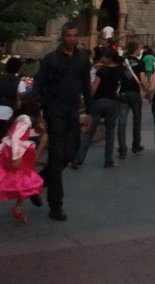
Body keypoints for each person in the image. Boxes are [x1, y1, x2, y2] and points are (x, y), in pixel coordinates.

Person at [33, 21, 93, 221]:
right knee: (57, 157)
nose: (72, 39)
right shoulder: (51, 59)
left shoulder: (83, 59)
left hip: (72, 111)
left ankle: (37, 184)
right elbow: (38, 85)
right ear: (63, 36)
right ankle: (56, 206)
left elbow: (86, 86)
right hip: (54, 110)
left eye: (75, 36)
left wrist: (90, 113)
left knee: (71, 152)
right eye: (69, 36)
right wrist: (38, 115)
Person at [0, 97, 44, 227]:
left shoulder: (20, 118)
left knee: (10, 180)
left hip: (14, 151)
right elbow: (16, 137)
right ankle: (12, 208)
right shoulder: (26, 119)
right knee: (22, 180)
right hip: (18, 153)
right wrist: (15, 156)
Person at [73, 47, 124, 169]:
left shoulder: (102, 71)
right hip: (113, 102)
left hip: (99, 101)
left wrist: (87, 104)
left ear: (109, 58)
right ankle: (108, 160)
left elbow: (94, 89)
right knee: (110, 133)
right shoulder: (119, 70)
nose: (102, 58)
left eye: (105, 56)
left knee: (89, 132)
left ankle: (79, 158)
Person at [118, 41, 147, 159]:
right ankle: (136, 145)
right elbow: (142, 80)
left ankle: (122, 149)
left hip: (123, 93)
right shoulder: (140, 63)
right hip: (134, 93)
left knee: (122, 121)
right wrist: (149, 89)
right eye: (139, 48)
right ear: (136, 50)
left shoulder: (121, 62)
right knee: (137, 120)